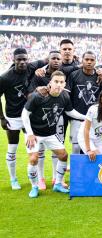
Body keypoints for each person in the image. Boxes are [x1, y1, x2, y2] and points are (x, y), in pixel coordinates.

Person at [21, 71, 85, 198]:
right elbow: (24, 114)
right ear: (50, 82)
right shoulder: (38, 96)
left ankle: (58, 185)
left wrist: (86, 117)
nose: (59, 84)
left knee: (63, 155)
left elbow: (70, 112)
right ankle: (34, 186)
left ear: (65, 83)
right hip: (33, 133)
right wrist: (29, 133)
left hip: (50, 134)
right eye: (56, 81)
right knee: (34, 159)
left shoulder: (65, 96)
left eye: (61, 82)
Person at [0, 48, 42, 190]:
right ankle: (13, 179)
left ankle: (35, 184)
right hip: (12, 118)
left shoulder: (31, 67)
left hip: (28, 117)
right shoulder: (5, 78)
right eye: (19, 59)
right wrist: (2, 118)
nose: (22, 62)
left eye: (24, 59)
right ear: (13, 60)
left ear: (27, 59)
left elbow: (49, 60)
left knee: (33, 151)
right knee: (12, 148)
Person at [68, 51, 102, 156]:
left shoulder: (100, 77)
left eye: (92, 60)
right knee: (76, 146)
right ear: (82, 60)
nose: (89, 62)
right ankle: (77, 170)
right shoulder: (74, 75)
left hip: (94, 118)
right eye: (87, 59)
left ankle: (88, 169)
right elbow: (68, 95)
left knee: (91, 145)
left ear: (95, 62)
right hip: (77, 116)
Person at [77, 88, 102, 160]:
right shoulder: (93, 109)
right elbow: (86, 129)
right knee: (95, 156)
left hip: (97, 138)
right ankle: (73, 168)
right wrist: (89, 150)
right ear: (101, 99)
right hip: (84, 137)